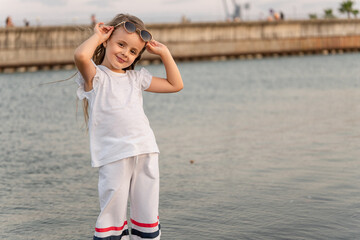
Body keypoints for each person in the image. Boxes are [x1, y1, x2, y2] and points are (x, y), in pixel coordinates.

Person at [74, 13, 183, 240]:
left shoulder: (136, 79)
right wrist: (98, 36)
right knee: (112, 215)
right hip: (114, 156)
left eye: (133, 51)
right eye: (121, 44)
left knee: (147, 212)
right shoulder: (97, 77)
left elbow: (175, 84)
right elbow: (82, 56)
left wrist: (165, 53)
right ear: (107, 41)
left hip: (146, 151)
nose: (125, 53)